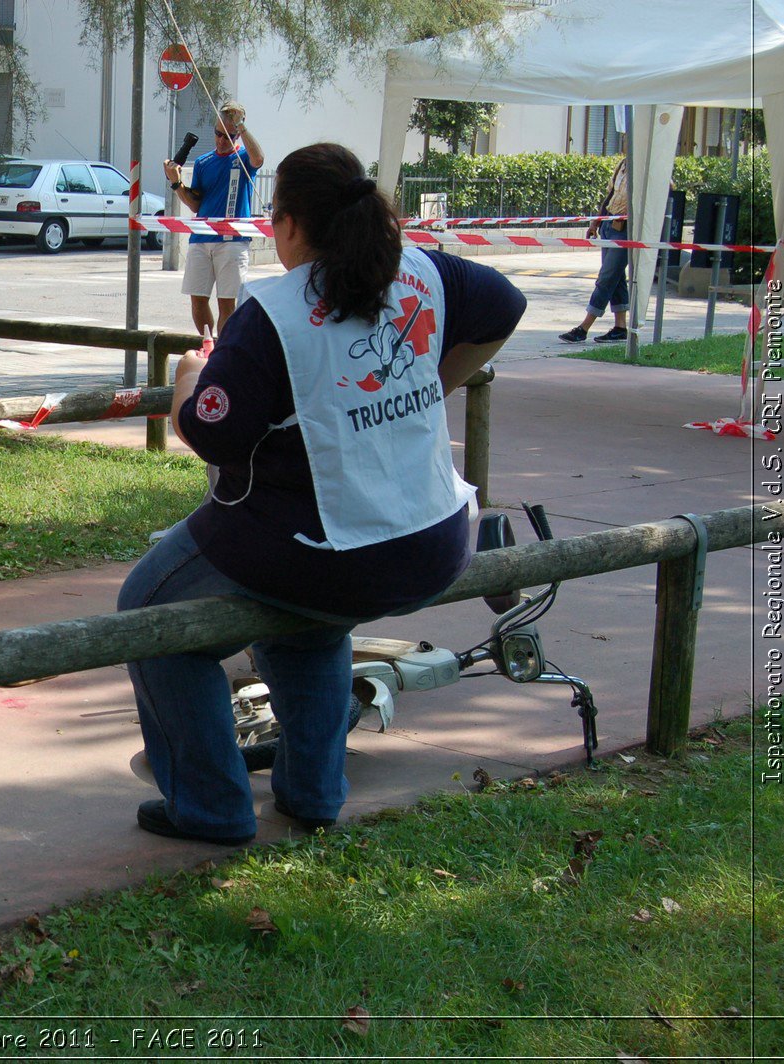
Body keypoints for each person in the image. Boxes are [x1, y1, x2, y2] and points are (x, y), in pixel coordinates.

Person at [119, 143, 527, 844]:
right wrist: (436, 380)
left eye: (274, 219)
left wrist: (189, 379)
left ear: (291, 225)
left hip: (330, 550)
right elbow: (505, 304)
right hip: (433, 541)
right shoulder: (422, 271)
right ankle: (312, 793)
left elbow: (214, 434)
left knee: (145, 611)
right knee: (311, 619)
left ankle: (210, 807)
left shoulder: (274, 311)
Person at [164, 101, 264, 338]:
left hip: (232, 241)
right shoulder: (203, 162)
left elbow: (259, 159)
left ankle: (224, 353)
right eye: (218, 134)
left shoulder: (243, 157)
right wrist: (177, 182)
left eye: (228, 136)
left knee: (227, 304)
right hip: (201, 238)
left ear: (237, 134)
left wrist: (242, 127)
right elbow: (195, 203)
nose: (221, 140)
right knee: (197, 299)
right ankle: (208, 347)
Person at [559, 151, 630, 345]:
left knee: (606, 278)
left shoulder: (648, 168)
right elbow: (610, 195)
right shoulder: (623, 164)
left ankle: (584, 328)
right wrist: (596, 222)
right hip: (610, 225)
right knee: (616, 278)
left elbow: (668, 188)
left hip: (627, 230)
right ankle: (621, 327)